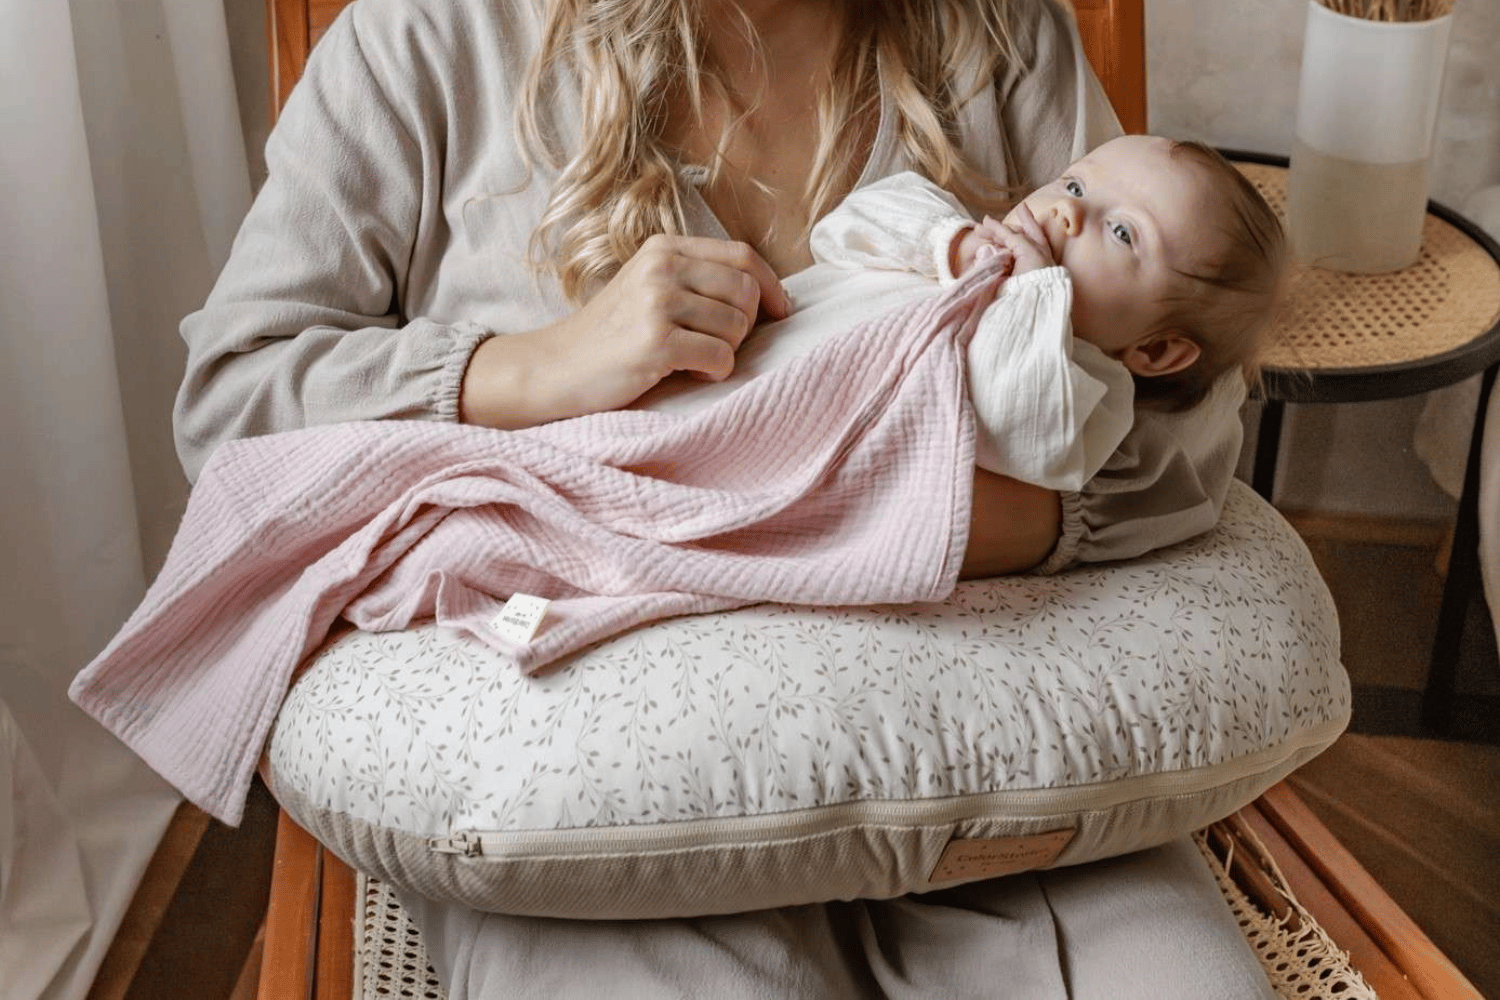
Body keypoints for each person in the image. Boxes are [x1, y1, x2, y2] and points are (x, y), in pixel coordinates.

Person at [172, 0, 1277, 995]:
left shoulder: (996, 37)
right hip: (605, 795)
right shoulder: (430, 36)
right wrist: (530, 368)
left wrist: (955, 521)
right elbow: (233, 408)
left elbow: (1190, 416)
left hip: (974, 749)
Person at [802, 134, 1287, 493]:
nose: (1066, 212)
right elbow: (837, 230)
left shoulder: (1089, 395)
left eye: (1122, 233)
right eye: (1074, 186)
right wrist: (951, 242)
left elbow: (1012, 433)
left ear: (1155, 350)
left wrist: (1032, 295)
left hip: (799, 438)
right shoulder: (956, 248)